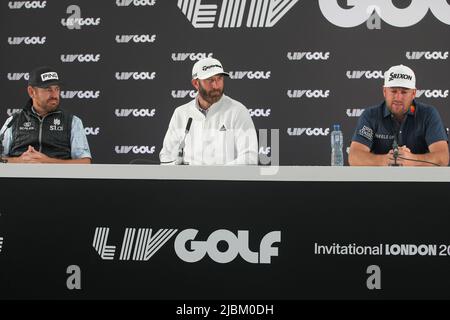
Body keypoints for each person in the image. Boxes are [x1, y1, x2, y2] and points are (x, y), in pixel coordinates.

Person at [160, 57, 258, 165]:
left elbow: (250, 157)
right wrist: (176, 166)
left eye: (219, 79)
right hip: (188, 181)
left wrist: (216, 176)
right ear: (196, 83)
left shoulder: (238, 111)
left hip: (225, 181)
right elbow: (166, 157)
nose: (216, 86)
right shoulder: (181, 113)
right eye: (210, 80)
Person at [348, 64, 449, 166]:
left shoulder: (428, 114)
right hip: (380, 180)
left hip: (419, 180)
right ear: (384, 91)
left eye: (404, 92)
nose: (398, 97)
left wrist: (412, 160)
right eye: (393, 91)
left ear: (413, 93)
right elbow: (354, 157)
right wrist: (386, 160)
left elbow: (442, 158)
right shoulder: (370, 115)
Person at [0, 66, 92, 163]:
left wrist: (47, 162)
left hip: (58, 177)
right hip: (18, 177)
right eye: (48, 89)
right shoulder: (13, 121)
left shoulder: (72, 121)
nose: (54, 95)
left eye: (57, 89)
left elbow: (85, 162)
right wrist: (20, 161)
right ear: (31, 92)